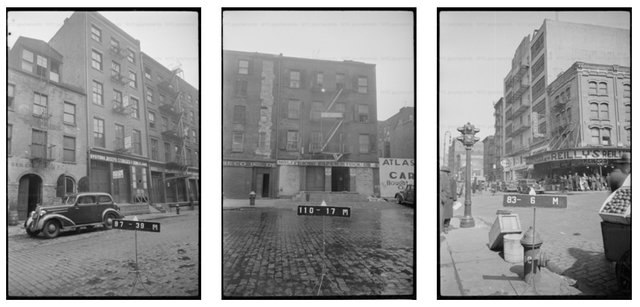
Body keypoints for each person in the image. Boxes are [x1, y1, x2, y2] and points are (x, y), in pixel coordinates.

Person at [440, 167, 453, 234]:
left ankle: (445, 228)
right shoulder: (446, 178)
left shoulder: (448, 179)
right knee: (446, 216)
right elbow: (448, 190)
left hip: (447, 200)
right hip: (446, 200)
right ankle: (445, 228)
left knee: (446, 215)